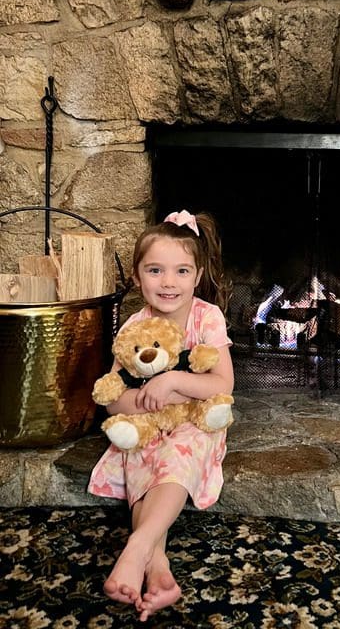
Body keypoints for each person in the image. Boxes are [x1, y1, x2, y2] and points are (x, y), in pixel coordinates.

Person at [88, 209, 234, 621]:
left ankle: (136, 548)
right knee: (141, 463)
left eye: (181, 271)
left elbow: (223, 384)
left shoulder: (207, 317)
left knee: (175, 459)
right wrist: (143, 403)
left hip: (195, 422)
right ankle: (158, 566)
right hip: (147, 426)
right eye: (155, 270)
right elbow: (113, 398)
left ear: (198, 275)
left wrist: (172, 384)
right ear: (137, 277)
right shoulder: (135, 324)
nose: (168, 282)